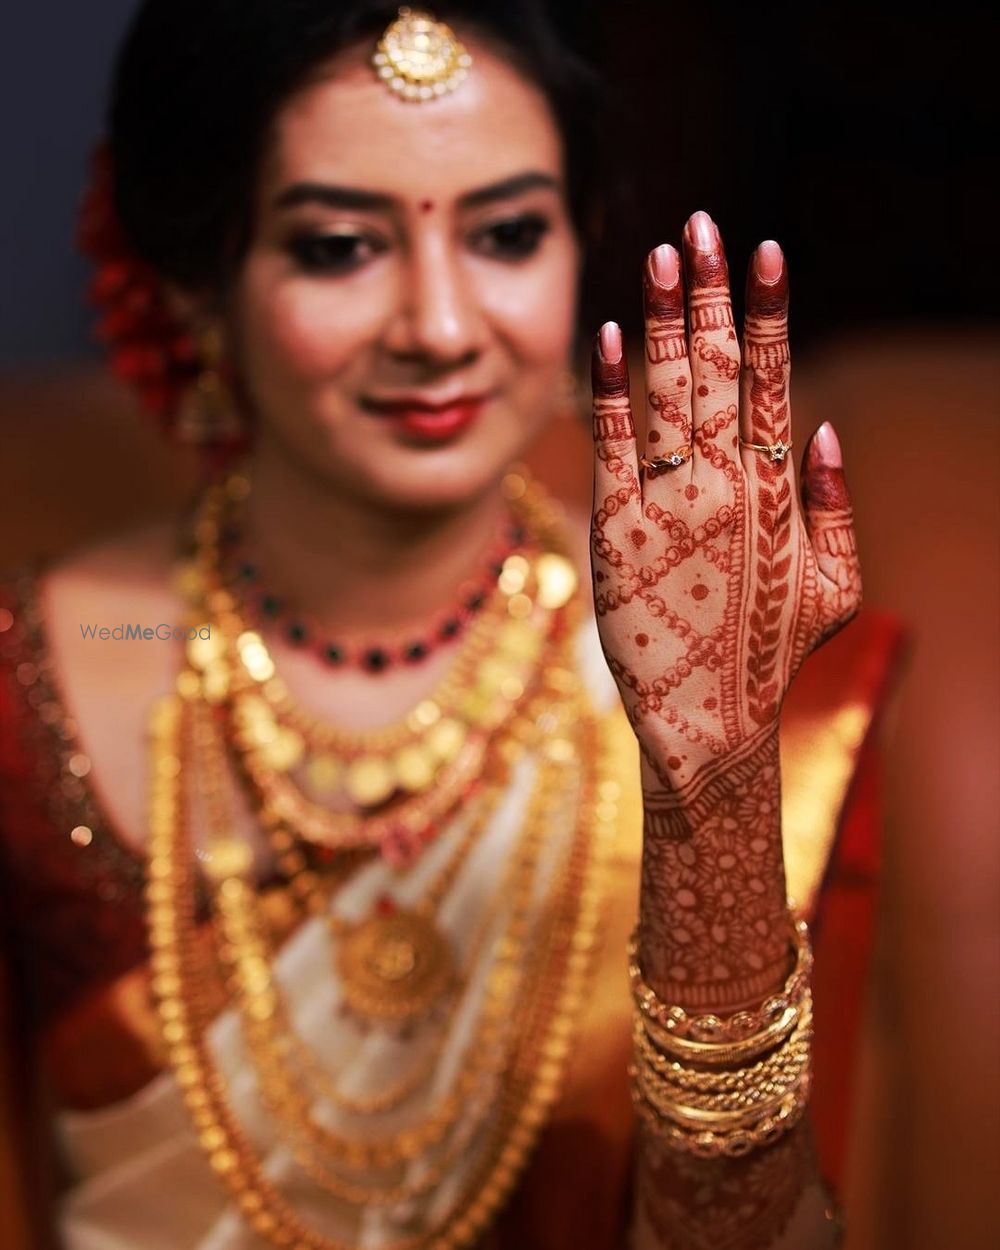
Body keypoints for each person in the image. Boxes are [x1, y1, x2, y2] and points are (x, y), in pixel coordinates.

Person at [0, 2, 896, 1247]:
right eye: (337, 248)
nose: (437, 325)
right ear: (198, 286)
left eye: (508, 233)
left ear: (576, 245)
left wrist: (715, 803)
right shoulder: (53, 666)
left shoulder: (708, 663)